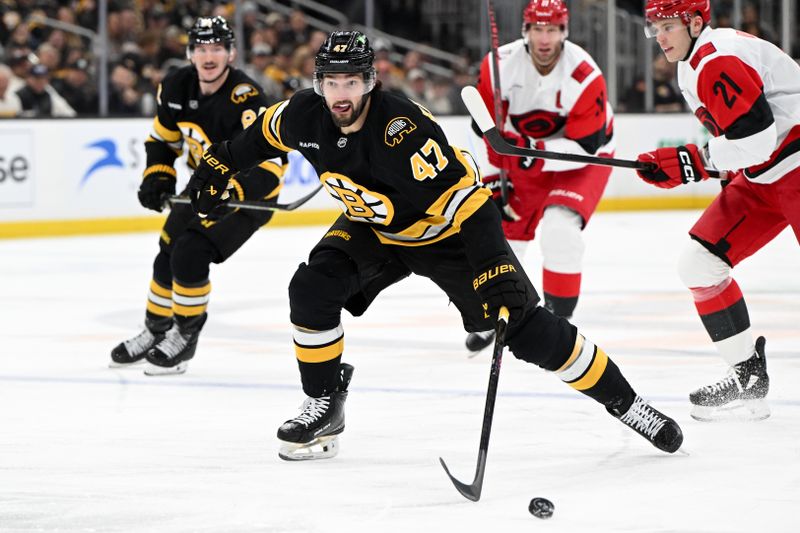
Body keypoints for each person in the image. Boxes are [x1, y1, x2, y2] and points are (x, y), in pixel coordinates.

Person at [187, 30, 683, 460]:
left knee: (527, 330)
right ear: (320, 83)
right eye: (332, 83)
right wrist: (217, 167)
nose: (341, 95)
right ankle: (324, 404)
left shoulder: (400, 131)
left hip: (445, 232)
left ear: (370, 83)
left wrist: (495, 268)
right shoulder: (303, 113)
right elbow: (256, 142)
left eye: (352, 83)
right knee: (311, 287)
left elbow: (470, 202)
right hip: (375, 228)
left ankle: (629, 404)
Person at [635, 0, 797, 421]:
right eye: (655, 28)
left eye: (667, 26)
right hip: (764, 178)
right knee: (699, 264)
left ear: (694, 21)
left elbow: (758, 138)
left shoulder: (715, 58)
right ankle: (747, 375)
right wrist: (702, 165)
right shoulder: (691, 63)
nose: (661, 37)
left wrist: (692, 162)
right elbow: (742, 140)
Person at [109, 16, 285, 376]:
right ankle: (157, 329)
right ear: (190, 53)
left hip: (248, 196)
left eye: (217, 48)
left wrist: (233, 190)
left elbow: (270, 166)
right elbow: (163, 140)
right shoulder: (175, 85)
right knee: (167, 249)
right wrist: (158, 174)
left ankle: (185, 337)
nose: (209, 56)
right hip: (203, 186)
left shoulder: (246, 98)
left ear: (231, 53)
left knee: (191, 251)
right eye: (201, 48)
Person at [465, 0, 615, 353]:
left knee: (560, 230)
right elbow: (480, 127)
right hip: (524, 156)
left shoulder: (584, 74)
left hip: (579, 162)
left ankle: (557, 322)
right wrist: (489, 180)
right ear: (525, 31)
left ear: (564, 31)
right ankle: (492, 315)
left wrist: (533, 155)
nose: (544, 38)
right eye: (537, 29)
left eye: (551, 30)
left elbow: (586, 147)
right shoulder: (498, 65)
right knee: (498, 239)